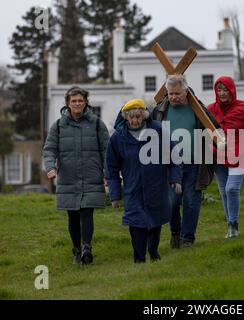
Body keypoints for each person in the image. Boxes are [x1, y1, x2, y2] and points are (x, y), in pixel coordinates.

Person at [105, 99, 182, 263]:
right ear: (125, 117)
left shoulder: (159, 131)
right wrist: (115, 195)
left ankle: (153, 252)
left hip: (157, 185)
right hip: (133, 188)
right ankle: (139, 259)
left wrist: (176, 179)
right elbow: (111, 168)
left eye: (138, 117)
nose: (135, 121)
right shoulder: (118, 138)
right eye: (131, 117)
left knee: (155, 221)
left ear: (144, 116)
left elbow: (175, 157)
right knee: (136, 223)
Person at [43, 86, 110, 265]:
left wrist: (107, 172)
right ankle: (77, 249)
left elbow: (107, 150)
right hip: (68, 177)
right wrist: (50, 166)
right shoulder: (58, 126)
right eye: (74, 101)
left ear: (86, 102)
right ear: (68, 103)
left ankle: (87, 247)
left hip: (91, 175)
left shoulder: (96, 123)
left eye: (80, 100)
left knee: (87, 212)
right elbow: (49, 149)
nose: (77, 104)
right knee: (73, 215)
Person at [152, 74, 219, 248]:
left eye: (177, 93)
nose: (173, 97)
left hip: (195, 164)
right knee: (172, 203)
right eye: (170, 93)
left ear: (186, 91)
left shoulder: (197, 108)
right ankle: (175, 232)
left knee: (191, 201)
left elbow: (214, 128)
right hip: (170, 165)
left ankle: (187, 238)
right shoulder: (160, 109)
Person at [207, 76, 244, 238]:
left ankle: (233, 222)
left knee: (232, 188)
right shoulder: (210, 109)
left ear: (232, 90)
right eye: (219, 90)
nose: (222, 93)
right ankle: (231, 226)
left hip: (240, 156)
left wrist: (242, 150)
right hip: (219, 157)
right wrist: (211, 147)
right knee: (224, 191)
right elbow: (206, 132)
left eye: (225, 90)